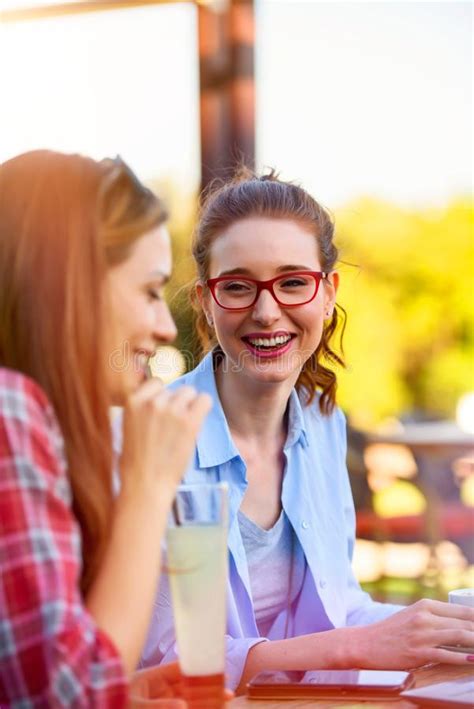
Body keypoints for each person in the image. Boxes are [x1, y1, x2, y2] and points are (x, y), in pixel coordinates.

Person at [141, 168, 474, 692]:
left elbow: (340, 607)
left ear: (327, 292)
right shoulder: (150, 434)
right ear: (206, 299)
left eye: (293, 281)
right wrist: (355, 647)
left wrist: (444, 633)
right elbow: (169, 661)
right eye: (237, 286)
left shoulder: (321, 423)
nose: (267, 311)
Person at [0, 150, 213, 707]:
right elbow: (69, 697)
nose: (167, 328)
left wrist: (120, 687)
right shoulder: (8, 411)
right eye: (149, 291)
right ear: (65, 284)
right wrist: (147, 486)